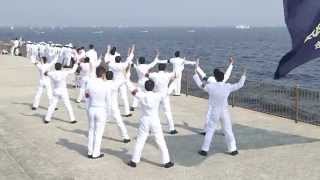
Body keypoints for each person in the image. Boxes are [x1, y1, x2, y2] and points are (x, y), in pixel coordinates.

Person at [193, 61, 246, 157]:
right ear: (223, 78)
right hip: (224, 111)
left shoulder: (210, 86)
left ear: (216, 78)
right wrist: (243, 75)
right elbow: (239, 85)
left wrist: (195, 74)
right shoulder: (228, 86)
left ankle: (204, 150)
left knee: (210, 130)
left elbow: (200, 85)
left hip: (214, 111)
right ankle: (233, 149)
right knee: (228, 130)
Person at [126, 79, 174, 168]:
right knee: (160, 141)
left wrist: (127, 80)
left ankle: (134, 161)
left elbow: (132, 90)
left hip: (144, 120)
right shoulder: (158, 95)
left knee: (140, 141)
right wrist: (174, 81)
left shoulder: (141, 95)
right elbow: (168, 91)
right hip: (155, 120)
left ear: (145, 87)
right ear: (153, 87)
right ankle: (166, 161)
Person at [196, 57, 234, 135]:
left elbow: (202, 75)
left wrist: (197, 66)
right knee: (223, 119)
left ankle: (205, 131)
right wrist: (231, 64)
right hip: (222, 103)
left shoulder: (210, 79)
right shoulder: (223, 79)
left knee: (209, 116)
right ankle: (226, 132)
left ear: (214, 74)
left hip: (213, 102)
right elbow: (227, 74)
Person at [148, 63, 178, 134]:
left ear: (158, 68)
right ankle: (172, 129)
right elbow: (176, 75)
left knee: (154, 112)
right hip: (165, 96)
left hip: (156, 95)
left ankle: (150, 128)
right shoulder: (167, 74)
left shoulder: (155, 75)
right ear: (164, 68)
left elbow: (147, 74)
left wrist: (150, 70)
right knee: (168, 112)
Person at [86, 66, 108, 159]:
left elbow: (86, 96)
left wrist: (87, 108)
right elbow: (108, 100)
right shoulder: (105, 84)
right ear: (103, 74)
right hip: (101, 109)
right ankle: (96, 153)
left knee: (91, 131)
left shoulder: (90, 82)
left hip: (91, 108)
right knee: (98, 133)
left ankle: (90, 151)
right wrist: (109, 113)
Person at [106, 45, 135, 117]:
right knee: (124, 97)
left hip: (115, 81)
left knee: (113, 97)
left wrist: (108, 51)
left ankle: (111, 111)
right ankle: (127, 112)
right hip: (122, 82)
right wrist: (132, 51)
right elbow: (129, 59)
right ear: (120, 60)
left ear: (115, 60)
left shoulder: (112, 65)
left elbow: (106, 61)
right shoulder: (123, 65)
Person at [104, 71, 131, 143]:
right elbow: (125, 79)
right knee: (119, 122)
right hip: (114, 106)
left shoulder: (103, 84)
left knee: (101, 122)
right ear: (112, 77)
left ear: (106, 77)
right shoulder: (115, 83)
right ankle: (126, 137)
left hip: (105, 107)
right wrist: (126, 70)